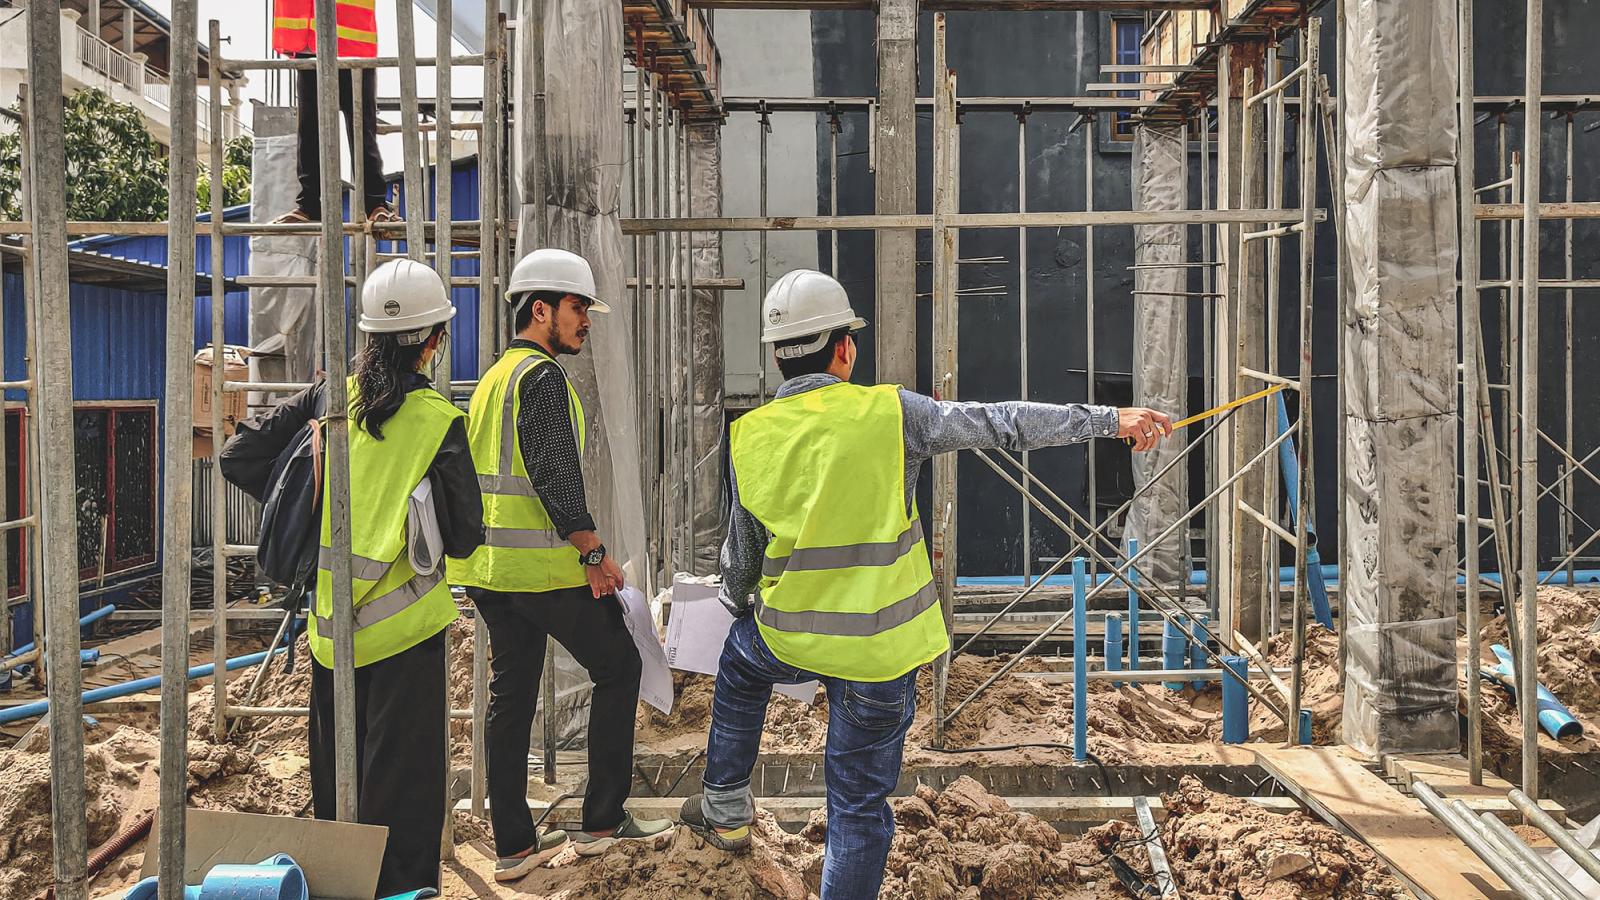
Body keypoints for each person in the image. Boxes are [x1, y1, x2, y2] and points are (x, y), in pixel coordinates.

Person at [678, 269, 1173, 899]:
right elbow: (1002, 423)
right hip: (883, 652)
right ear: (844, 349)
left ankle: (724, 807)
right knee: (856, 808)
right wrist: (1108, 419)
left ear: (778, 355)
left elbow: (742, 560)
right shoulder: (891, 413)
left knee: (741, 666)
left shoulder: (748, 435)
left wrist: (730, 599)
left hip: (792, 636)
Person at [219, 259, 481, 896]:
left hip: (331, 636)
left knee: (339, 784)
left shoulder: (328, 402)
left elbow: (238, 456)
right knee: (406, 794)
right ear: (434, 340)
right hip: (409, 638)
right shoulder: (438, 422)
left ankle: (342, 888)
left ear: (367, 336)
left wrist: (312, 494)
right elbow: (469, 536)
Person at [450, 248, 673, 881]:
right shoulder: (542, 379)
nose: (586, 322)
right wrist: (595, 555)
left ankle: (514, 844)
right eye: (578, 309)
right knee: (619, 664)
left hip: (493, 574)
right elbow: (554, 476)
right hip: (542, 573)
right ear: (540, 308)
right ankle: (603, 821)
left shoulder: (495, 378)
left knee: (511, 696)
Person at [270, 0, 396, 224]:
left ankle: (375, 204)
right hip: (309, 44)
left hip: (353, 44)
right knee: (309, 131)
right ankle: (309, 205)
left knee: (361, 131)